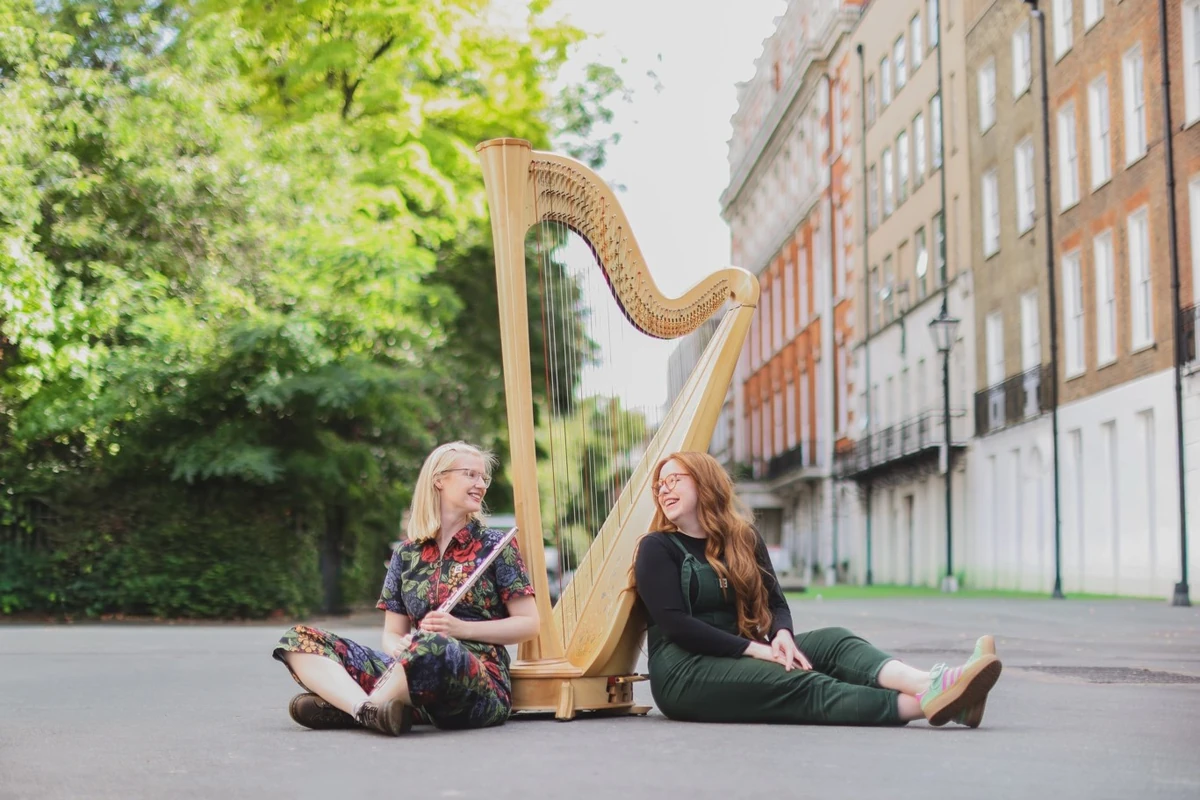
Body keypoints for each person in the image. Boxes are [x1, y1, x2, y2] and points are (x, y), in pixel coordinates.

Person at [632, 451, 1002, 728]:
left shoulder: (743, 539)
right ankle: (933, 701)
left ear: (704, 481)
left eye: (674, 479)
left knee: (835, 641)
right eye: (659, 485)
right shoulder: (657, 547)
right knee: (798, 681)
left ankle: (936, 685)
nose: (664, 489)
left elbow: (776, 602)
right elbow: (677, 626)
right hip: (685, 671)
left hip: (740, 652)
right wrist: (757, 650)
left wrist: (781, 636)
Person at [272, 441, 539, 735]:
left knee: (432, 647)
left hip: (478, 684)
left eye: (483, 477)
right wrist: (398, 647)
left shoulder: (496, 545)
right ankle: (368, 710)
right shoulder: (406, 553)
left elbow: (529, 624)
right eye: (470, 474)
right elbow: (392, 633)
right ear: (438, 480)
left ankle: (351, 707)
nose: (481, 484)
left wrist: (460, 629)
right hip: (409, 668)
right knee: (298, 639)